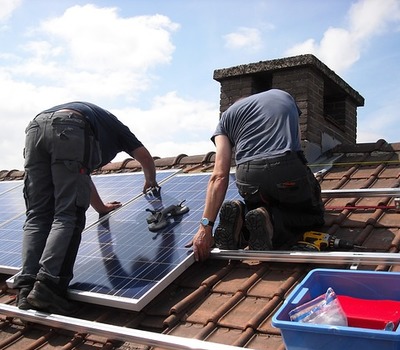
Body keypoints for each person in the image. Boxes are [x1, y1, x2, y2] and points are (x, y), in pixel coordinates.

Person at [14, 101, 159, 314]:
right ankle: (48, 287)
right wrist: (151, 180)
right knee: (68, 215)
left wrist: (100, 207)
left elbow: (81, 177)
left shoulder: (98, 122)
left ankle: (26, 289)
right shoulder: (118, 129)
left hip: (36, 128)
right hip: (69, 127)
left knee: (37, 215)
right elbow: (145, 157)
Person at [190, 89, 324, 262]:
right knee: (314, 216)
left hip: (248, 176)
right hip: (286, 167)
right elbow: (297, 145)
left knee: (259, 204)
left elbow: (219, 175)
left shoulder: (226, 117)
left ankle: (241, 213)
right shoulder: (283, 95)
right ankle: (273, 223)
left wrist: (205, 227)